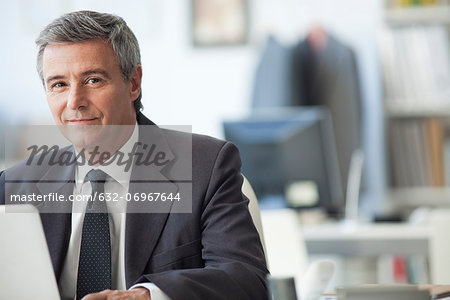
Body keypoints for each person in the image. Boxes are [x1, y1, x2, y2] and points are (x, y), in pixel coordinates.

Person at [0, 10, 268, 300]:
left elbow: (246, 278)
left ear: (133, 83)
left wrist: (149, 295)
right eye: (59, 85)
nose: (74, 101)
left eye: (92, 80)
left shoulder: (205, 166)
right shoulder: (16, 184)